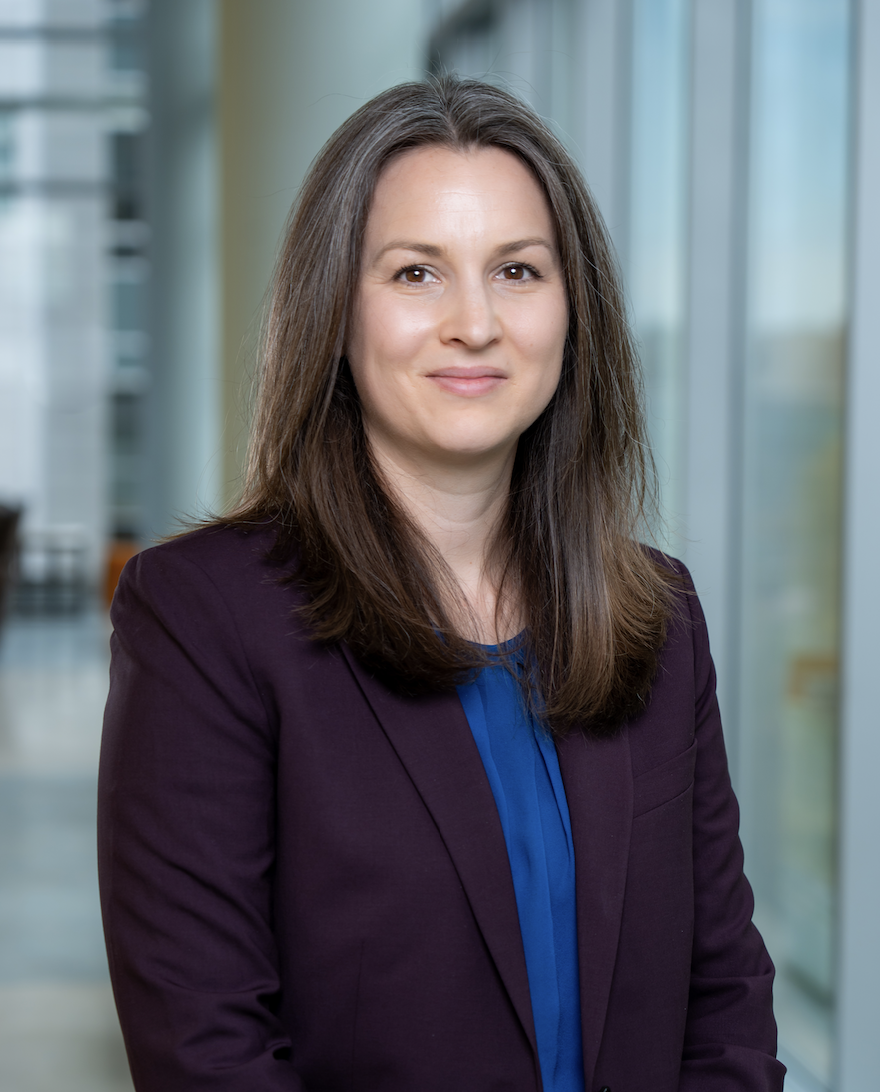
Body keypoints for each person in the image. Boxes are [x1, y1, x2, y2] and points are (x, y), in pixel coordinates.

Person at [98, 77, 785, 1092]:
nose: (475, 323)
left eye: (515, 270)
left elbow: (723, 999)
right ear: (336, 312)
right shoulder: (204, 618)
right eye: (416, 274)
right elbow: (208, 1051)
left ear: (572, 308)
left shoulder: (657, 614)